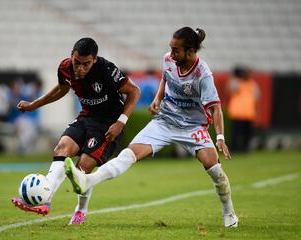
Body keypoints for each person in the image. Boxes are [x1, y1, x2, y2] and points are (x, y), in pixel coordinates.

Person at [64, 27, 239, 228]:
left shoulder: (203, 74)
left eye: (176, 51)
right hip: (165, 120)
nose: (171, 54)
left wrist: (220, 138)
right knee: (129, 154)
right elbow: (166, 78)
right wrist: (157, 99)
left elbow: (216, 108)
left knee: (214, 168)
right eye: (170, 49)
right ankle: (88, 180)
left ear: (190, 52)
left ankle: (229, 213)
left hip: (192, 126)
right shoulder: (168, 60)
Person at [11, 38, 141, 224]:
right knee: (61, 148)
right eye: (76, 62)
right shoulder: (65, 67)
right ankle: (45, 199)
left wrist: (121, 122)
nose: (80, 68)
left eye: (85, 64)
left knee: (84, 166)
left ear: (94, 60)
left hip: (108, 122)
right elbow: (63, 88)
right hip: (86, 116)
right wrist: (34, 105)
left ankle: (81, 210)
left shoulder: (106, 70)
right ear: (72, 55)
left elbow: (134, 91)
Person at [227, 66, 260, 152]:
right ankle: (234, 149)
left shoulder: (253, 84)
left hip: (249, 113)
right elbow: (230, 89)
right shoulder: (237, 82)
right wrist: (234, 76)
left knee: (247, 134)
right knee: (236, 134)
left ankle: (244, 149)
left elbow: (257, 96)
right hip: (237, 113)